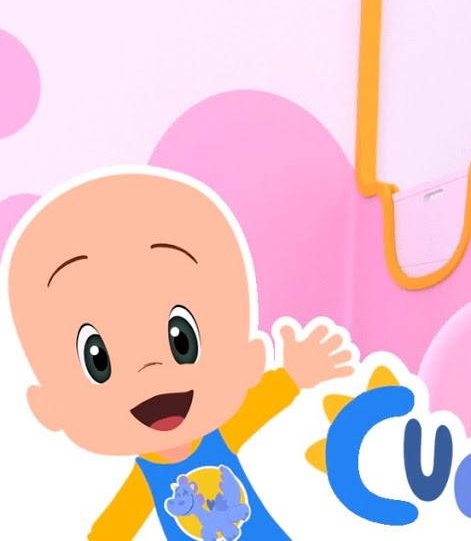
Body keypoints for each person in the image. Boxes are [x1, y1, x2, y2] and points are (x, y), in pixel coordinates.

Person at [3, 167, 356, 540]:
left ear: (248, 358)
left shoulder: (221, 437)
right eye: (99, 362)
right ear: (50, 406)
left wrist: (294, 373)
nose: (151, 371)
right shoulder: (147, 477)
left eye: (181, 342)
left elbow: (264, 401)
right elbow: (113, 528)